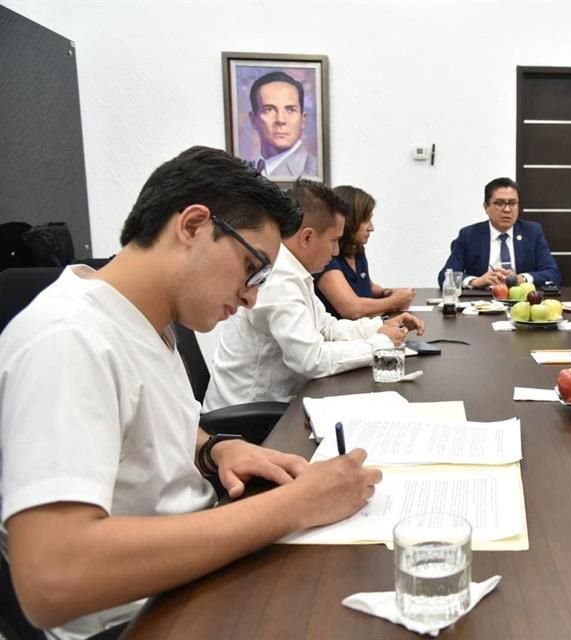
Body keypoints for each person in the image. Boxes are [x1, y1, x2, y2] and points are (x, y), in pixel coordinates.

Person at [0, 147, 382, 639]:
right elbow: (54, 577)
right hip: (138, 618)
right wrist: (295, 506)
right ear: (194, 225)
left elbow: (142, 429)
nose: (252, 296)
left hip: (189, 582)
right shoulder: (70, 339)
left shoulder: (141, 319)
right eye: (252, 268)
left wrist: (213, 449)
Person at [203, 179, 424, 410]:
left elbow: (328, 328)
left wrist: (378, 327)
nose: (337, 250)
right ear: (307, 237)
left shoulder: (297, 273)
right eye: (334, 240)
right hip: (248, 420)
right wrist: (379, 344)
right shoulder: (278, 279)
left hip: (277, 405)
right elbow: (311, 359)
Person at [438, 177, 561, 288]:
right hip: (482, 303)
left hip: (522, 301)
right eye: (499, 203)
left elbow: (553, 274)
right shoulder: (469, 235)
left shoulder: (532, 232)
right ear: (486, 207)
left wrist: (521, 279)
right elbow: (445, 276)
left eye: (512, 203)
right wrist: (476, 281)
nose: (507, 209)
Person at [315, 185, 415, 319]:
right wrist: (395, 301)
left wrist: (387, 292)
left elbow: (365, 285)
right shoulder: (328, 257)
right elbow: (351, 308)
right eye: (366, 220)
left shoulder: (357, 249)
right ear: (349, 220)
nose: (371, 228)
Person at [248, 71, 319, 179]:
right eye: (269, 109)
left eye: (290, 110)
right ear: (253, 120)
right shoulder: (243, 172)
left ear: (302, 120)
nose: (281, 120)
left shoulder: (314, 171)